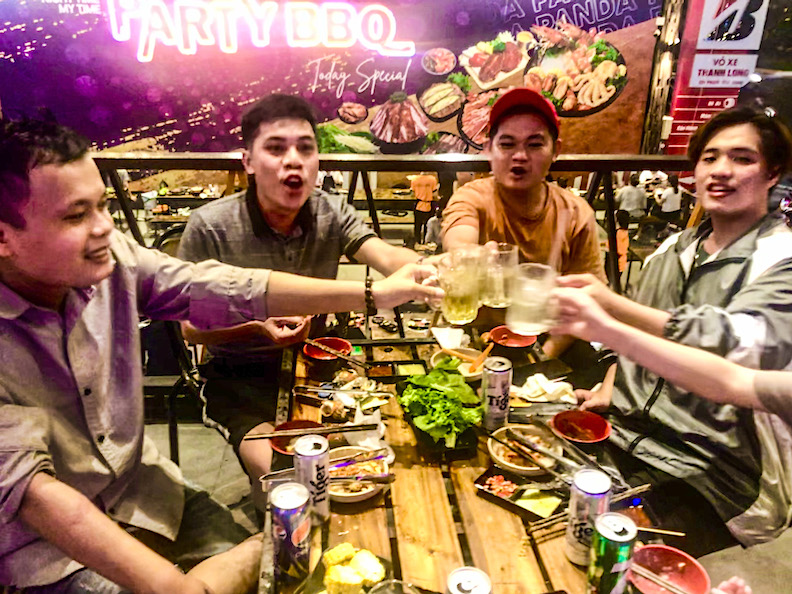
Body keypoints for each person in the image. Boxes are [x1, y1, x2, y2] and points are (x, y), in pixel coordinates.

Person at [0, 118, 441, 592]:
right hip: (48, 552)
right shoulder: (211, 221)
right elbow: (31, 492)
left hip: (144, 492)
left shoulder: (117, 260)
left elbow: (220, 286)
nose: (105, 228)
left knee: (291, 563)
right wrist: (186, 584)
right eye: (75, 215)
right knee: (279, 549)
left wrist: (374, 294)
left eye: (104, 206)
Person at [556, 106, 792, 553]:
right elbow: (636, 338)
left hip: (712, 474)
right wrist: (610, 382)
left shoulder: (781, 259)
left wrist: (610, 311)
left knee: (595, 557)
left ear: (772, 172)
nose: (722, 171)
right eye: (710, 157)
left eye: (742, 158)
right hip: (625, 436)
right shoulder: (672, 248)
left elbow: (734, 348)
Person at [177, 94, 430, 508]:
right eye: (276, 149)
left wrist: (423, 266)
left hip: (319, 368)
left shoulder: (331, 211)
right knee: (287, 478)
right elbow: (191, 328)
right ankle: (282, 546)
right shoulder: (211, 226)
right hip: (239, 379)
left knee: (372, 467)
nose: (293, 160)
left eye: (305, 148)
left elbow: (383, 255)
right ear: (248, 161)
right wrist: (256, 326)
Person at [440, 87, 605, 357]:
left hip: (547, 346)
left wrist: (543, 360)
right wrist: (472, 255)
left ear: (556, 151)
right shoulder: (472, 197)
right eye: (507, 144)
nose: (519, 155)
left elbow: (586, 297)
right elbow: (458, 240)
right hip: (472, 348)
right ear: (488, 150)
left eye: (535, 144)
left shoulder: (576, 212)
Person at [410, 171, 438, 245]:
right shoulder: (432, 179)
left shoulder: (414, 179)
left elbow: (412, 193)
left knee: (417, 226)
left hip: (418, 205)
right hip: (428, 205)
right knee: (427, 226)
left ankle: (417, 242)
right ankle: (426, 243)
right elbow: (434, 194)